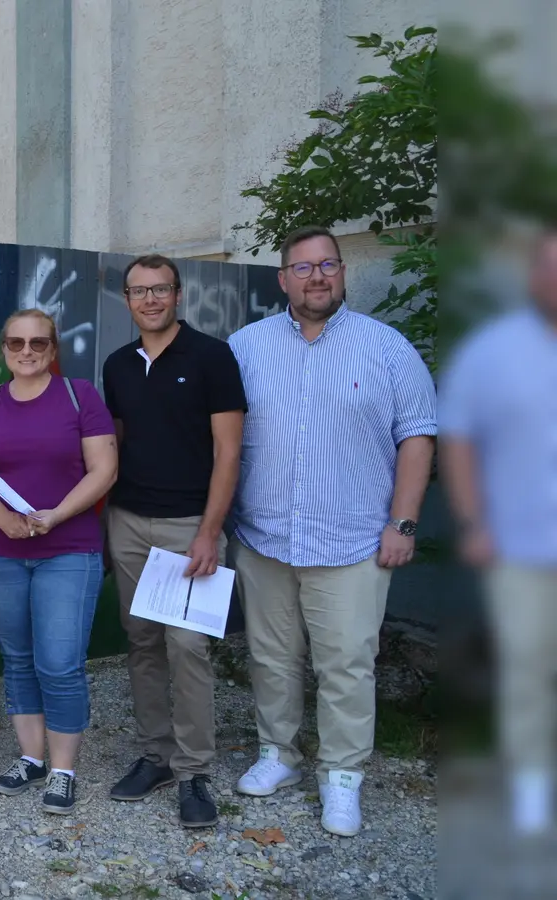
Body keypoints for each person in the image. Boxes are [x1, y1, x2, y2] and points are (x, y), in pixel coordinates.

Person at [228, 226, 437, 837]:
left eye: (327, 265)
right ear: (283, 279)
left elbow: (417, 437)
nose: (316, 276)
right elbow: (220, 435)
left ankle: (342, 775)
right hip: (265, 537)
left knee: (346, 663)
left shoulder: (387, 348)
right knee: (271, 656)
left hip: (352, 542)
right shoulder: (246, 347)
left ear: (343, 272)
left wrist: (403, 523)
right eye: (303, 267)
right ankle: (279, 754)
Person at [100, 255, 246, 828]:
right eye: (139, 291)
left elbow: (229, 452)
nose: (150, 300)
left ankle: (194, 771)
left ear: (178, 294)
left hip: (190, 526)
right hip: (129, 522)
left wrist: (210, 531)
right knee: (142, 642)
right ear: (127, 300)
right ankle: (155, 755)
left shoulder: (211, 356)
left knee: (187, 646)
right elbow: (112, 450)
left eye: (160, 289)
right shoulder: (117, 365)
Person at [0, 309, 117, 815]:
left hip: (68, 549)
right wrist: (3, 521)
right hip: (0, 551)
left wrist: (57, 515)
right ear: (4, 348)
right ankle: (31, 758)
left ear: (53, 348)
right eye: (17, 343)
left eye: (38, 343)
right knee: (19, 658)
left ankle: (63, 770)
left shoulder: (79, 396)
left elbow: (104, 469)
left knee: (60, 663)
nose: (27, 351)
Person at [438, 229, 557, 837]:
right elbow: (457, 438)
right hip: (520, 548)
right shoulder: (493, 350)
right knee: (528, 668)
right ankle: (533, 784)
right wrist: (473, 521)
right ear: (534, 276)